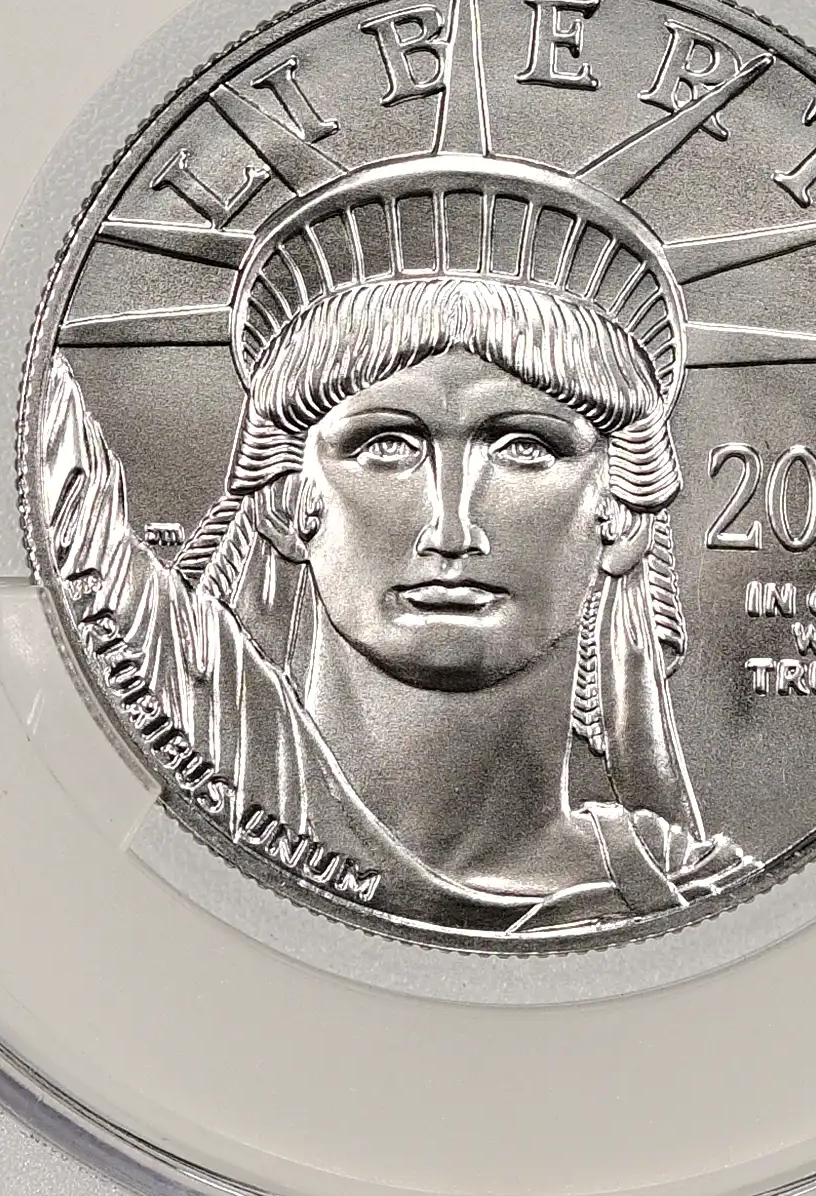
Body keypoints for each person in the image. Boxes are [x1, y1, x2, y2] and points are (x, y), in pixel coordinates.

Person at [38, 167, 757, 937]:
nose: (452, 528)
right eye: (386, 445)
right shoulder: (210, 748)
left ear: (621, 517)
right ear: (287, 501)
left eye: (524, 446)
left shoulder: (705, 899)